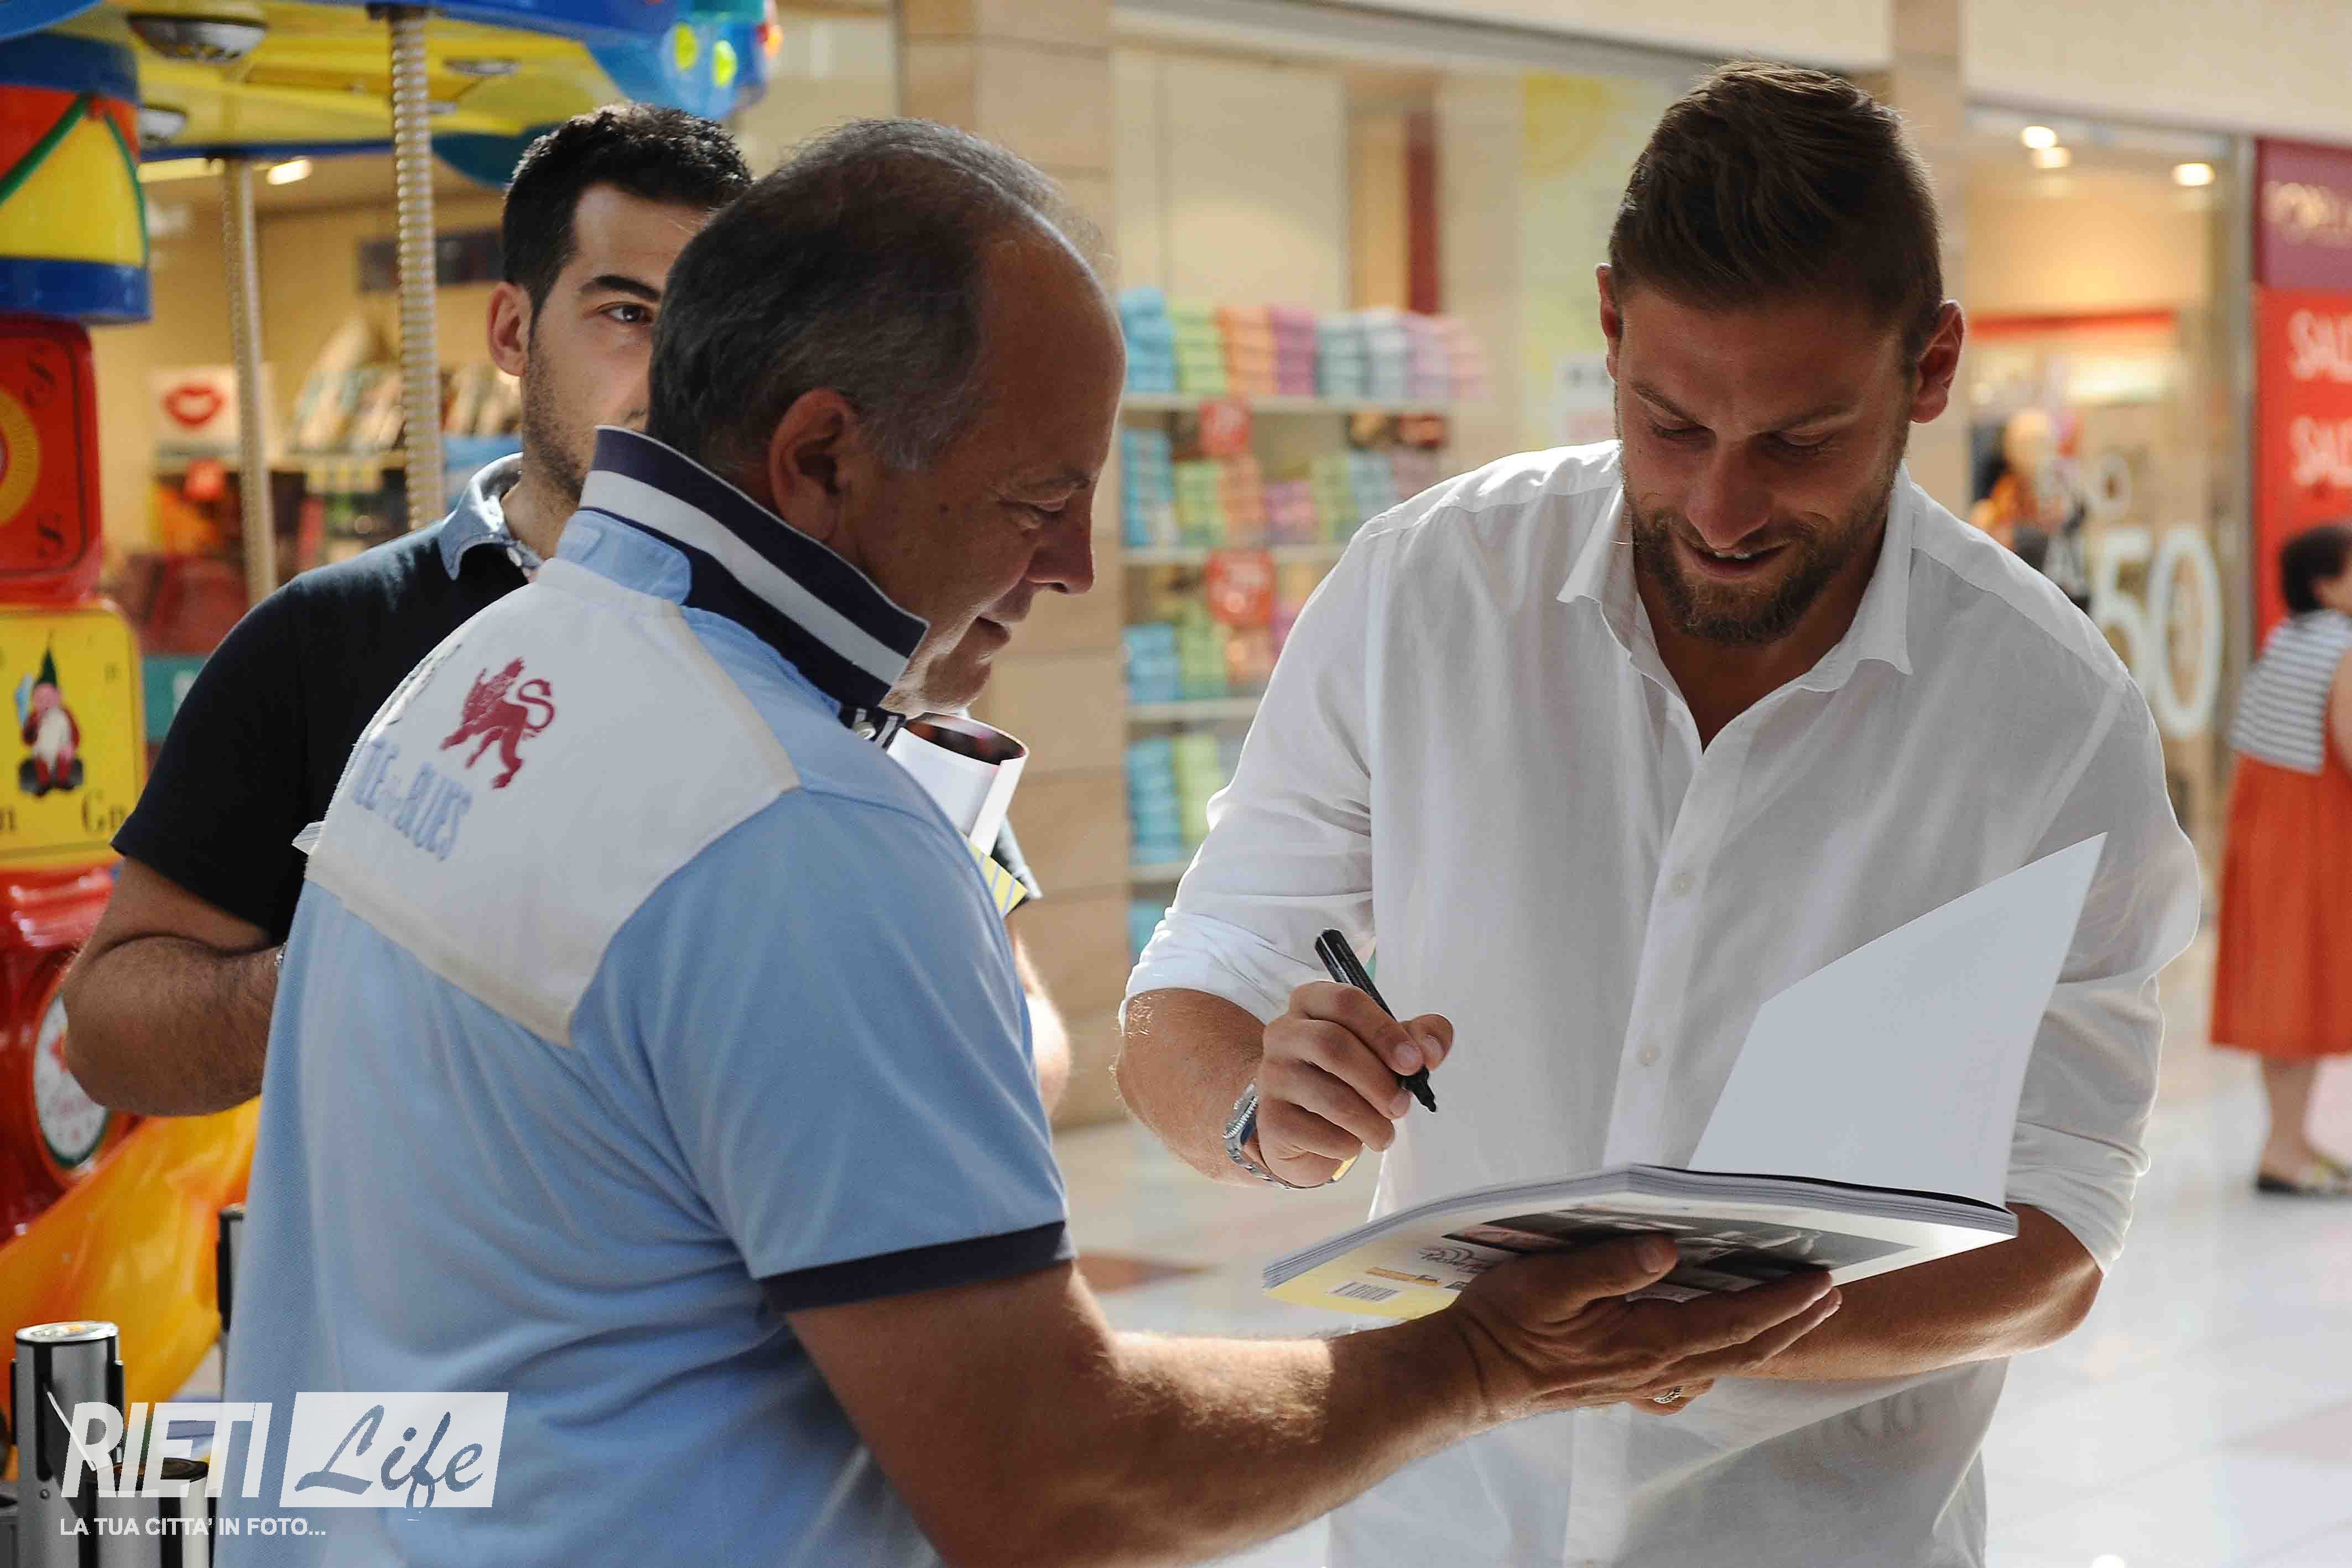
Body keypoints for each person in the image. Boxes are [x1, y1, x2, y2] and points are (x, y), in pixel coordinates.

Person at [213, 119, 1841, 1568]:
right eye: (1035, 499)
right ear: (822, 457)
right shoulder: (798, 830)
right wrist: (1476, 1360)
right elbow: (1055, 1481)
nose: (1071, 567)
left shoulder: (486, 672)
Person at [1116, 64, 2200, 1568]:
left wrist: (1705, 1335)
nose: (1721, 508)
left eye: (1799, 442)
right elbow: (1191, 984)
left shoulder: (2048, 715)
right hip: (1442, 1524)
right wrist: (1257, 1104)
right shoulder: (1428, 591)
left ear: (1932, 366)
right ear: (1610, 328)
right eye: (1670, 425)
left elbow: (2059, 1235)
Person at [61, 107, 1059, 1115]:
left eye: (719, 329)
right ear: (512, 330)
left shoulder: (844, 646)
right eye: (628, 313)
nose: (679, 371)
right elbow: (105, 1036)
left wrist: (918, 1077)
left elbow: (1024, 1017)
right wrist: (373, 952)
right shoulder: (326, 636)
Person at [2211, 522, 2352, 1195]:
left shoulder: (2284, 640)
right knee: (2309, 984)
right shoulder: (2342, 645)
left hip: (2265, 830)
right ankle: (2286, 1152)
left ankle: (2286, 1140)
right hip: (2315, 833)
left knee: (2282, 989)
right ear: (2326, 584)